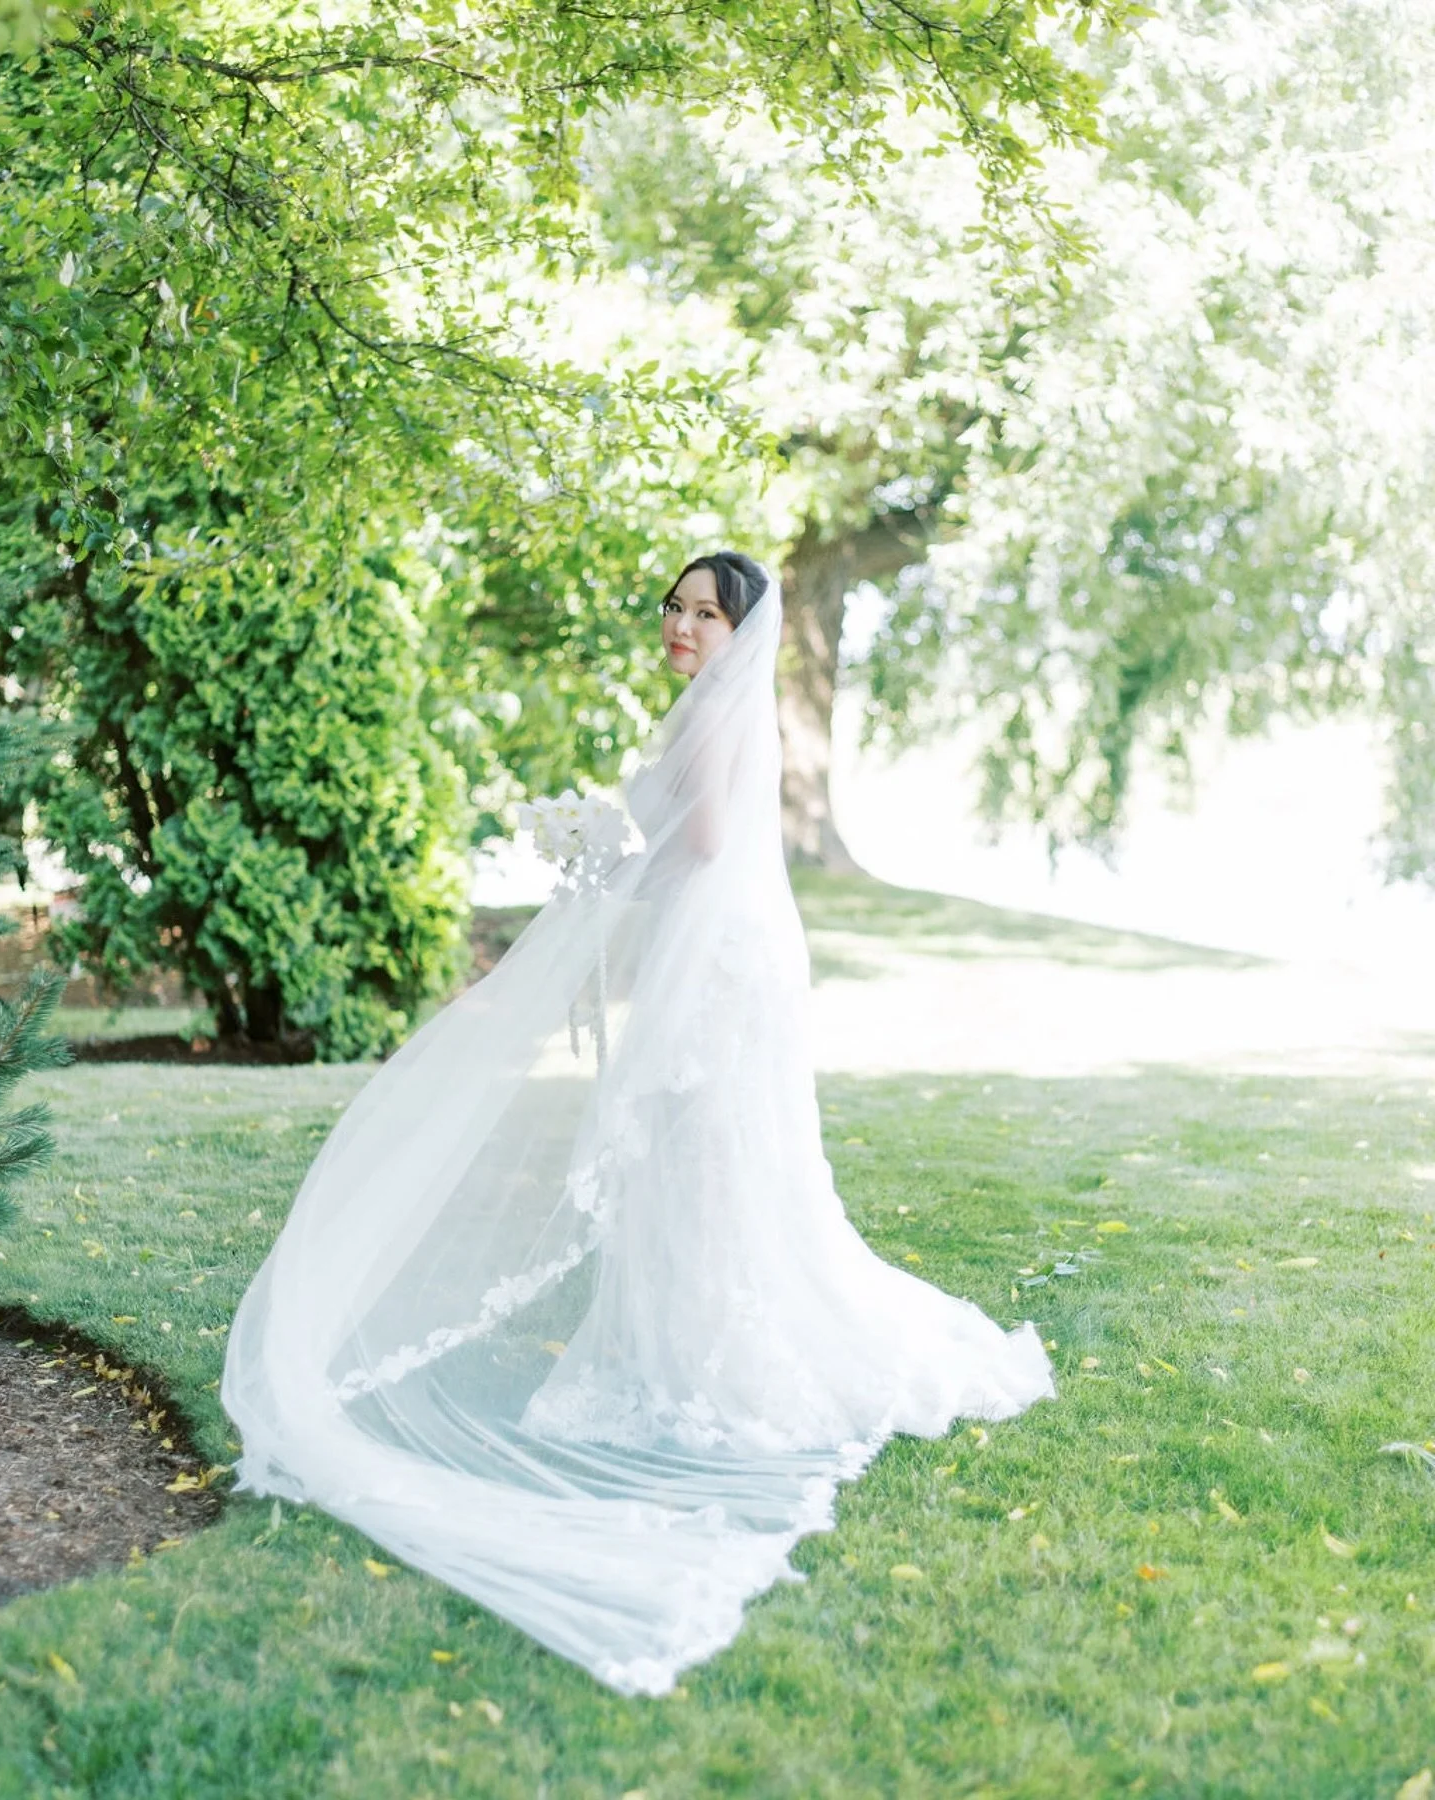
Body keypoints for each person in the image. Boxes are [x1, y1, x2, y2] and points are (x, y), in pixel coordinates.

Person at [221, 551, 1054, 1696]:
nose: (680, 624)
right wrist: (607, 863)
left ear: (739, 631)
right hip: (725, 952)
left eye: (704, 613)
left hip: (718, 963)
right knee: (704, 1161)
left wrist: (606, 862)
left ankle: (709, 1360)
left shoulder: (715, 718)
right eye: (675, 607)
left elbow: (704, 842)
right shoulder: (717, 708)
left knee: (706, 1158)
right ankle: (682, 1343)